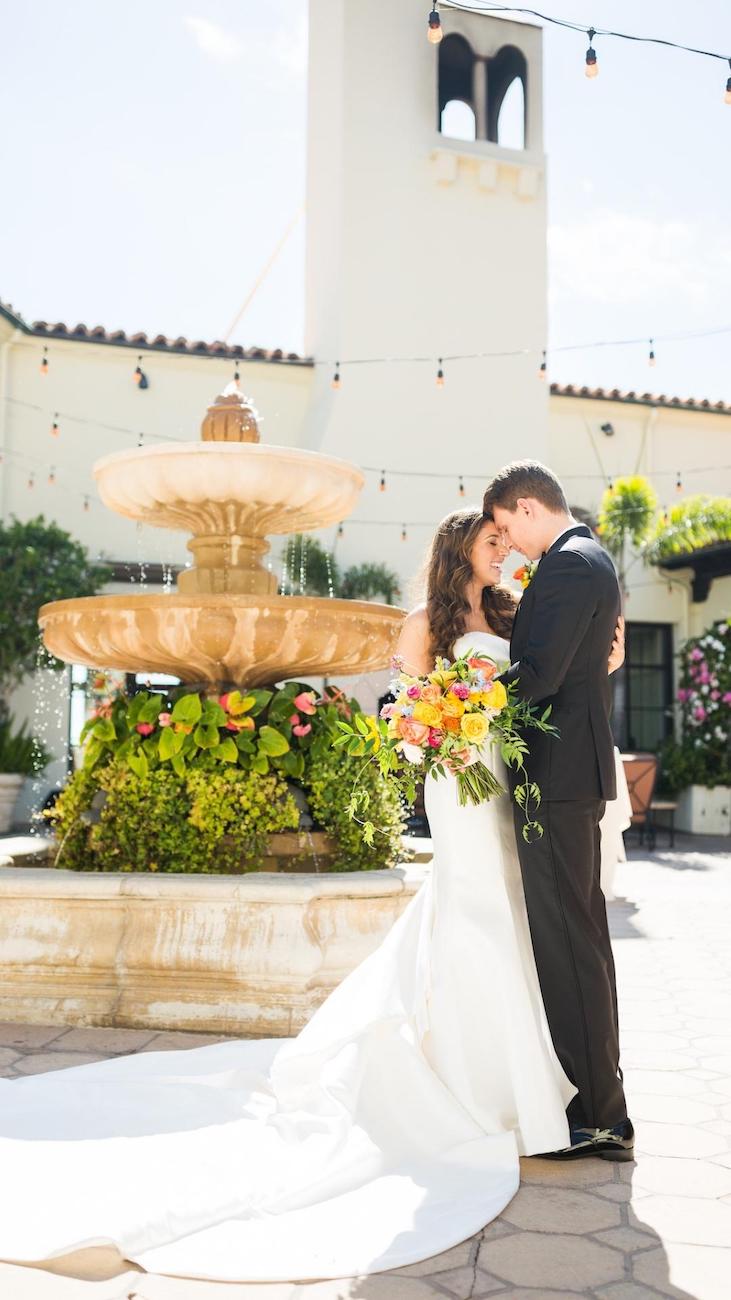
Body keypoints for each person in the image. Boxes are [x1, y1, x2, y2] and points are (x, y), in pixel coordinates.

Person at [0, 503, 626, 1286]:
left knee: (518, 921)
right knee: (474, 914)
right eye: (492, 539)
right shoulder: (420, 625)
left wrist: (593, 665)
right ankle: (480, 1088)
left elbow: (554, 675)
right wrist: (433, 725)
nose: (504, 549)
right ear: (457, 548)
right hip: (458, 788)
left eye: (507, 536)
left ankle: (533, 1084)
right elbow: (398, 711)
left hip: (513, 784)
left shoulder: (515, 609)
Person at [484, 459, 633, 1161]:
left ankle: (601, 1116)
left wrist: (456, 706)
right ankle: (594, 1099)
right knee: (577, 939)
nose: (507, 542)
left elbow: (538, 675)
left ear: (526, 506)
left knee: (570, 943)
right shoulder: (581, 560)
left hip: (557, 776)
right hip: (562, 773)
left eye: (507, 526)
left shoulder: (571, 565)